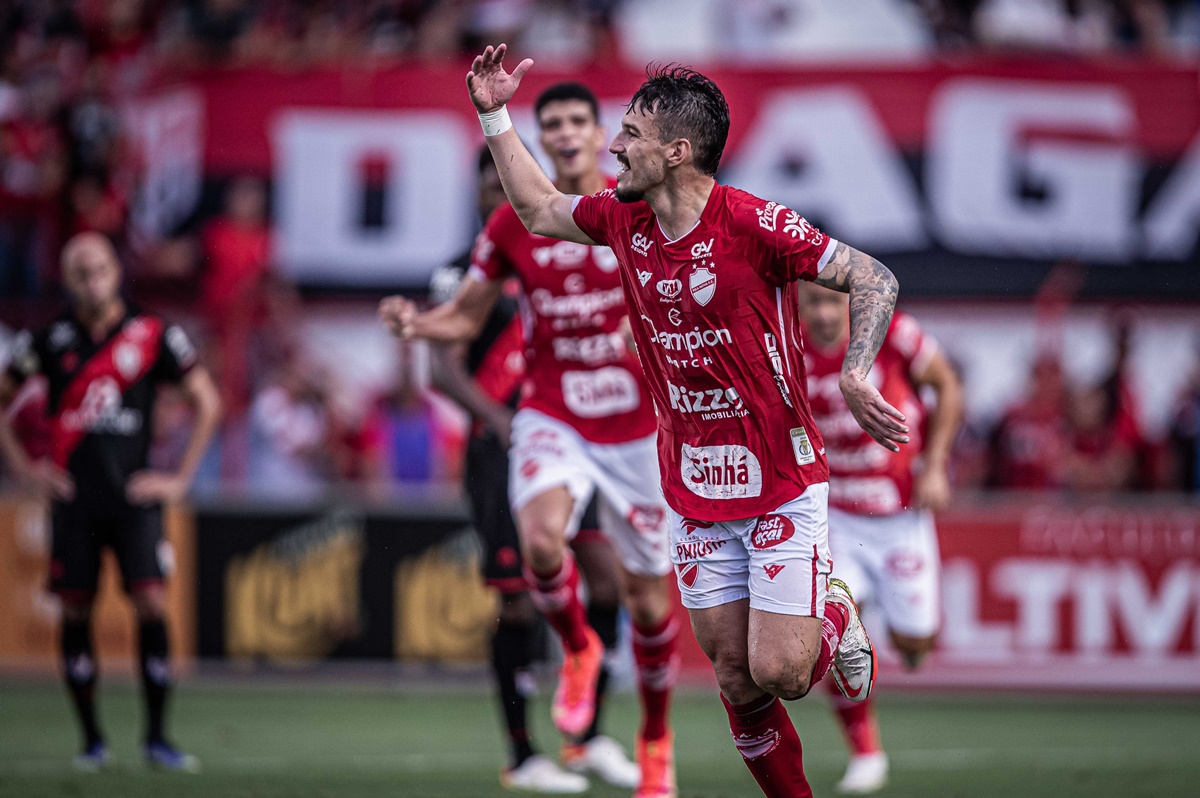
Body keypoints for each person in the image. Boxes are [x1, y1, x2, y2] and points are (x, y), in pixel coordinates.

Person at [383, 45, 907, 797]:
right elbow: (534, 209)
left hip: (781, 480)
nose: (614, 145)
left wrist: (856, 369)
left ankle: (831, 615)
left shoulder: (754, 222)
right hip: (691, 485)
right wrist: (493, 113)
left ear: (677, 151)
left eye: (629, 132)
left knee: (781, 672)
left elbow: (872, 276)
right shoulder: (622, 221)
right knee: (735, 675)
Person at [381, 81, 680, 798]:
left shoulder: (638, 207)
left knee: (647, 603)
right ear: (540, 138)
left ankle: (654, 738)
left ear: (599, 130)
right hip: (551, 413)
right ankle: (576, 649)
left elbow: (688, 292)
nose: (568, 132)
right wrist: (419, 324)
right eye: (554, 123)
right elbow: (463, 316)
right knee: (541, 543)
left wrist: (648, 330)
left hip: (636, 431)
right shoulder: (517, 223)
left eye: (579, 119)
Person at [425, 144, 639, 793]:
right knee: (515, 602)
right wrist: (497, 419)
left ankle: (588, 736)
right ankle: (522, 754)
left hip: (576, 438)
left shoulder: (563, 243)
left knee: (607, 581)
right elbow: (441, 365)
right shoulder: (465, 269)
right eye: (491, 187)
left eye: (509, 184)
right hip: (506, 451)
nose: (502, 196)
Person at [0, 232, 221, 771]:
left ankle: (157, 738)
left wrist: (179, 478)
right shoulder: (49, 340)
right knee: (75, 609)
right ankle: (93, 741)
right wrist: (27, 470)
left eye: (99, 268)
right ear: (66, 278)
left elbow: (207, 401)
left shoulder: (152, 334)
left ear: (116, 271)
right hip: (74, 501)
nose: (91, 279)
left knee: (150, 604)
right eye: (80, 271)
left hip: (135, 498)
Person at [798, 282, 963, 794]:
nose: (825, 314)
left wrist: (935, 465)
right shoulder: (786, 347)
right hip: (834, 519)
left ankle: (907, 637)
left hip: (900, 516)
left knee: (915, 645)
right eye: (814, 303)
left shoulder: (895, 334)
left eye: (834, 302)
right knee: (836, 633)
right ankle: (865, 751)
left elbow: (949, 388)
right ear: (797, 305)